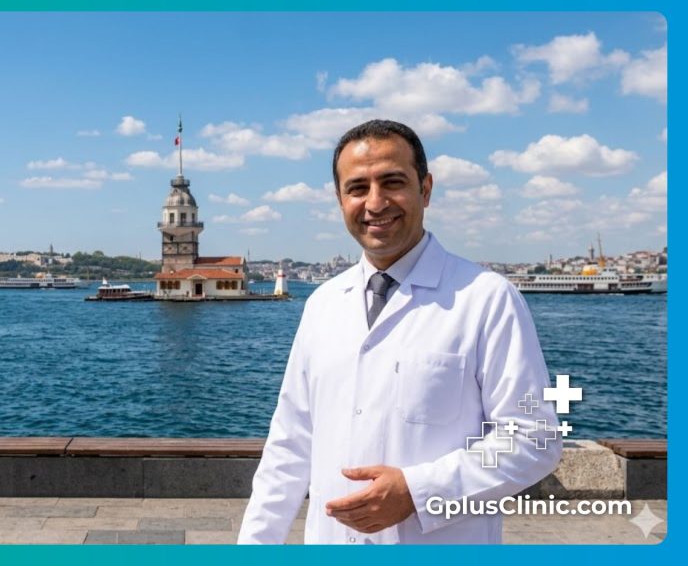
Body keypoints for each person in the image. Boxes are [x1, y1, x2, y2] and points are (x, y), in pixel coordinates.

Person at [237, 120, 562, 544]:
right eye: (357, 188)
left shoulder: (487, 299)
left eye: (392, 182)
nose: (375, 202)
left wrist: (419, 491)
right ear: (340, 199)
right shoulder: (323, 304)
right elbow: (289, 444)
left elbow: (534, 439)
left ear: (425, 190)